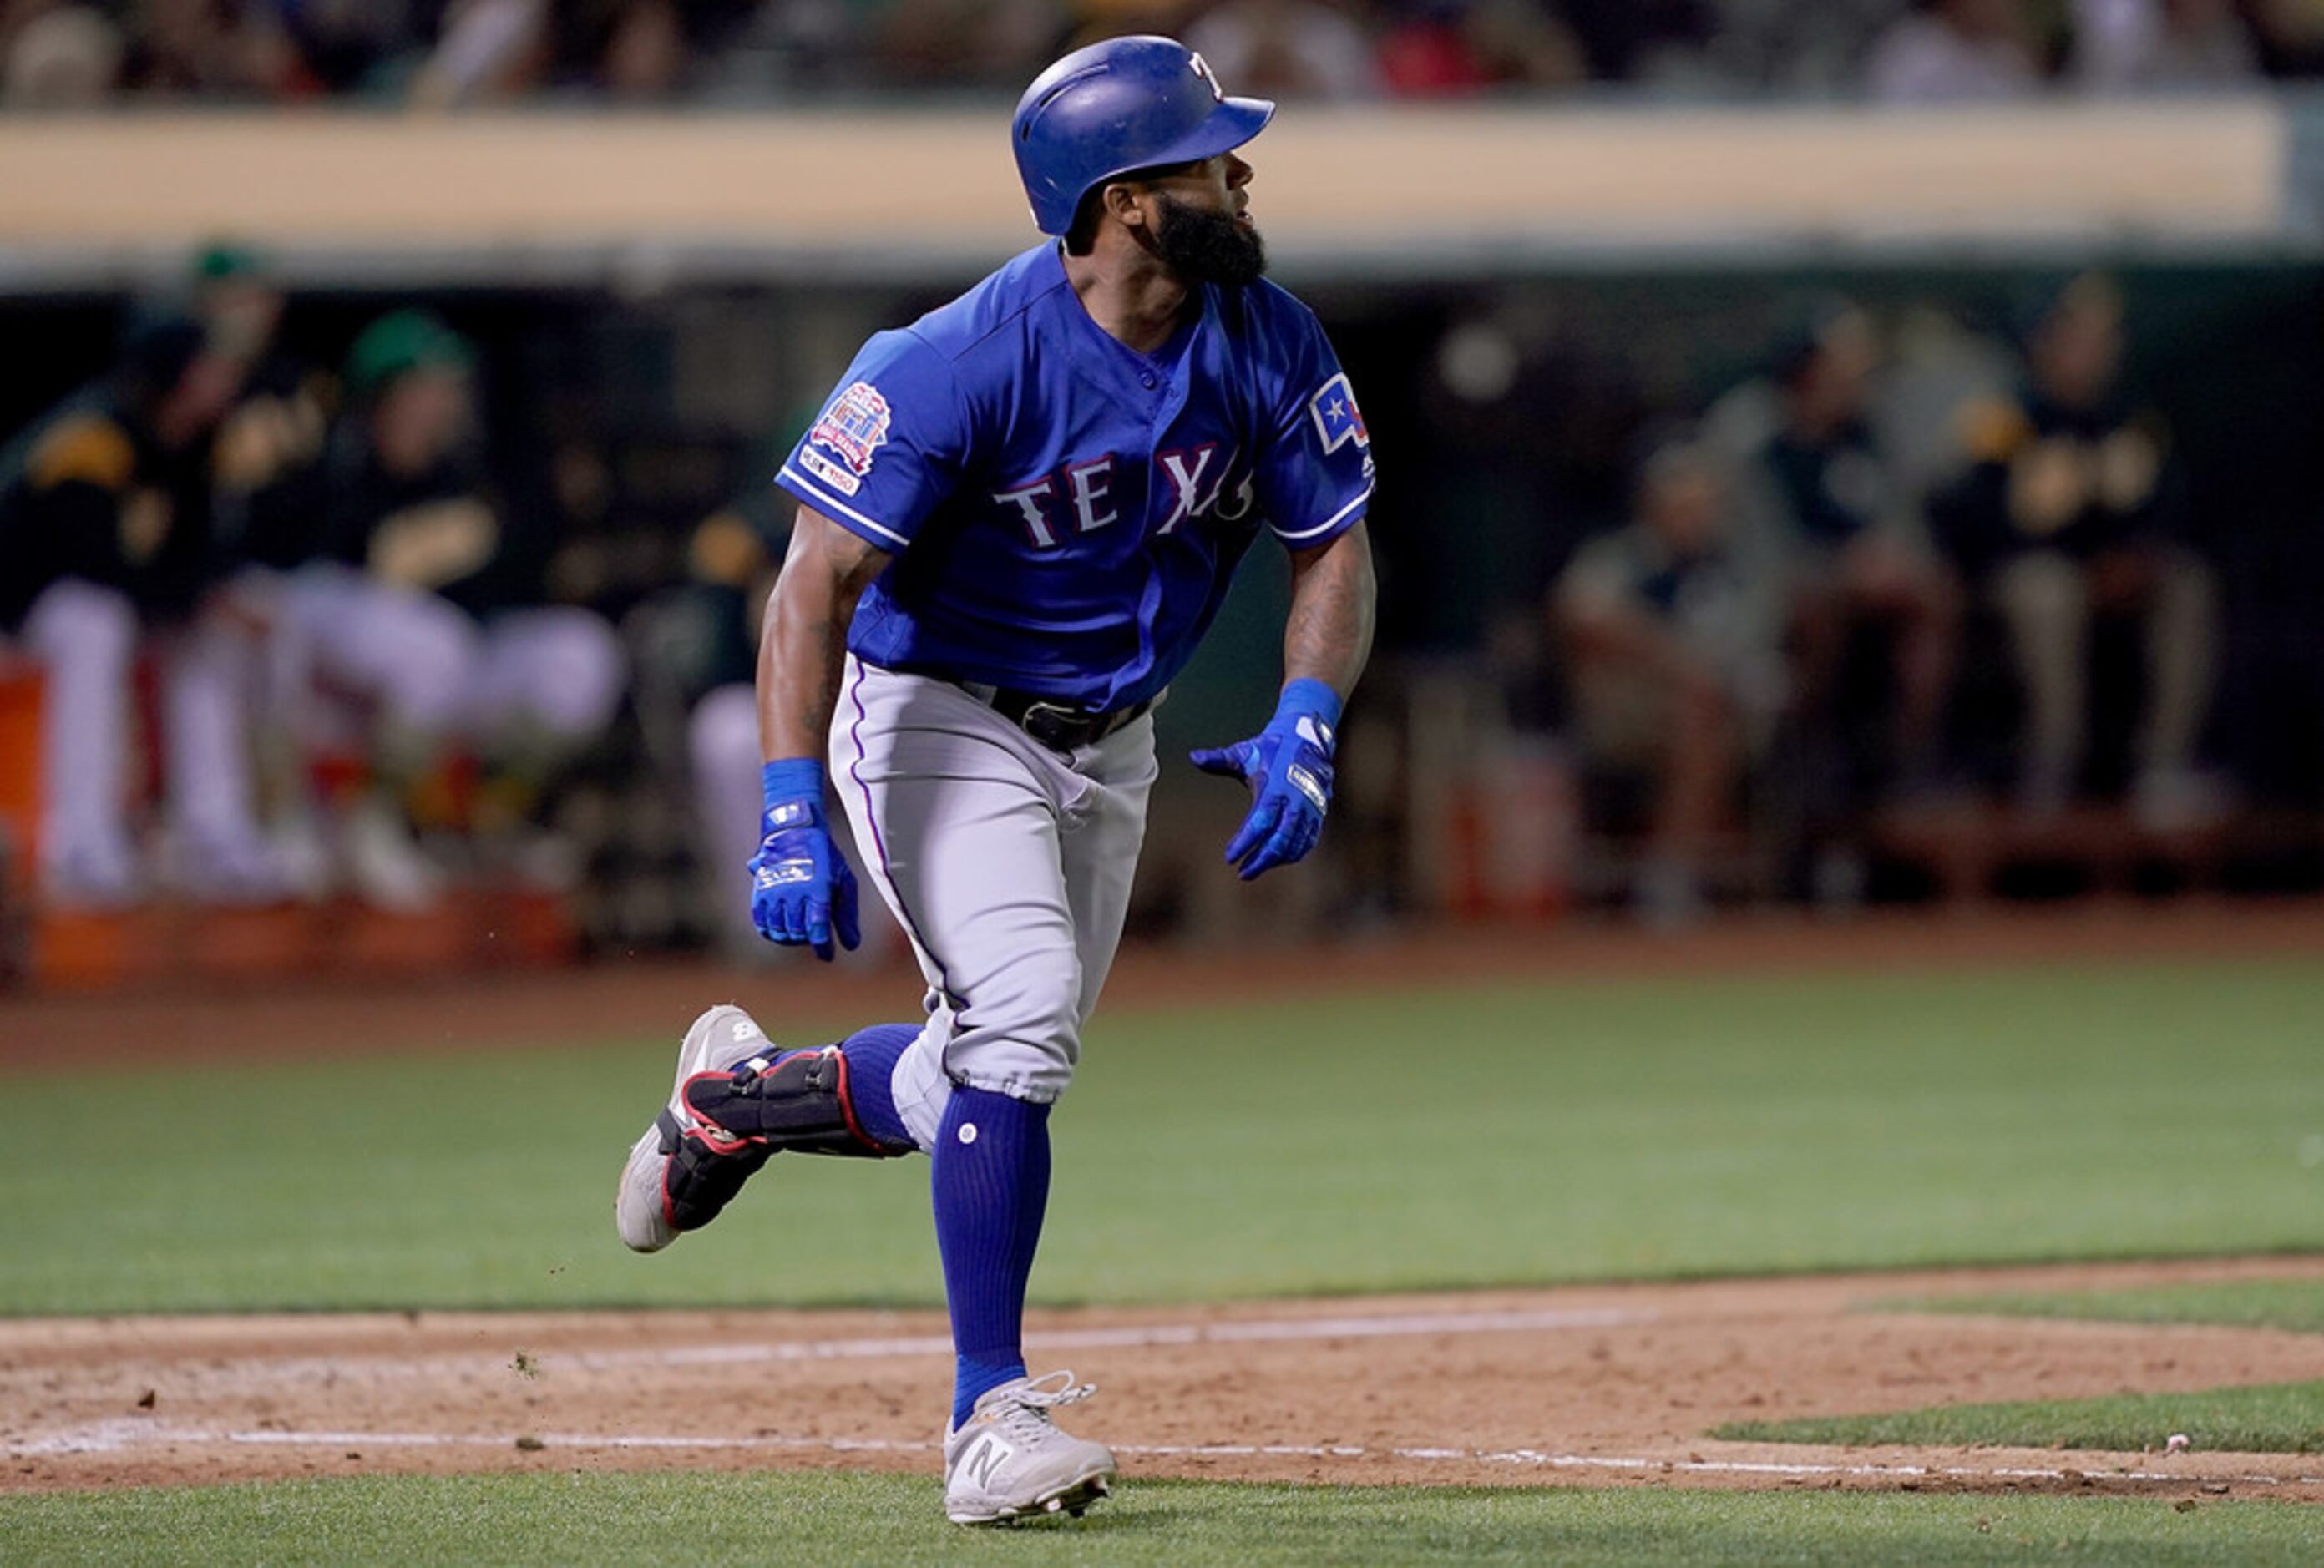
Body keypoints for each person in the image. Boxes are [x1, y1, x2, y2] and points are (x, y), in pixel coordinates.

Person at [613, 35, 1376, 1525]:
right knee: (1019, 1020)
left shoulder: (1268, 336)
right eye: (1206, 151)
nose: (1240, 169)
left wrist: (1304, 713)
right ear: (1122, 197)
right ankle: (985, 1416)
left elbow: (1329, 540)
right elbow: (807, 589)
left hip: (1114, 733)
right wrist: (790, 806)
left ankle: (728, 1104)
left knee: (983, 1051)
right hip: (938, 713)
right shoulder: (952, 358)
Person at [270, 310, 626, 906]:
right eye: (431, 385)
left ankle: (494, 817)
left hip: (449, 662)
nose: (447, 399)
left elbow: (508, 575)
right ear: (388, 393)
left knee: (578, 651)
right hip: (337, 654)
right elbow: (322, 559)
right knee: (431, 646)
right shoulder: (333, 466)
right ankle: (374, 819)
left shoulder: (470, 470)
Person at [0, 315, 288, 907]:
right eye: (209, 368)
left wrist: (206, 598)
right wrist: (191, 594)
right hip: (22, 609)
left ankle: (215, 833)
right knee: (94, 621)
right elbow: (86, 561)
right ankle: (76, 841)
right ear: (174, 374)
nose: (225, 381)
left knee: (211, 628)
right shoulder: (92, 438)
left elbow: (198, 555)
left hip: (120, 601)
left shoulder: (197, 442)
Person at [1929, 272, 2220, 824]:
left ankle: (2162, 766)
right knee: (2047, 591)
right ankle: (2051, 766)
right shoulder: (2004, 419)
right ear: (2043, 343)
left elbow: (2169, 502)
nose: (2095, 350)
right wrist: (2061, 551)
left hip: (2111, 576)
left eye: (2102, 337)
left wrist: (2134, 555)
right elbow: (1965, 513)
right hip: (2025, 575)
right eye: (2077, 337)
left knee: (2186, 583)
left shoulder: (2125, 416)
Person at [1552, 430, 1784, 925]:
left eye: (1705, 504)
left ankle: (1673, 875)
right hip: (1624, 709)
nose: (1697, 517)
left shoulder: (1734, 570)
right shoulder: (1621, 558)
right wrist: (1675, 661)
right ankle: (1669, 876)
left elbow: (1753, 650)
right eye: (1683, 504)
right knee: (1694, 704)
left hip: (1719, 710)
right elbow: (1580, 614)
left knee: (1706, 712)